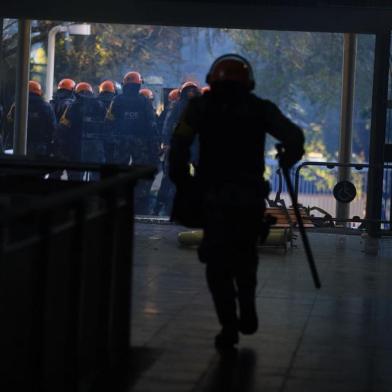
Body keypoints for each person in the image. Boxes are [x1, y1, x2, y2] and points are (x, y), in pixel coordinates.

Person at [169, 54, 305, 351]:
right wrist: (288, 157)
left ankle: (229, 326)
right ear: (248, 81)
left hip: (212, 196)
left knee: (216, 263)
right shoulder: (259, 109)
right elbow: (294, 136)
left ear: (212, 78)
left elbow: (179, 144)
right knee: (245, 256)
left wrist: (182, 182)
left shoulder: (200, 107)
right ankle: (247, 305)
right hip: (248, 197)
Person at [105, 71, 159, 214]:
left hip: (121, 140)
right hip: (140, 141)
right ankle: (137, 200)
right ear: (139, 84)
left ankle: (117, 198)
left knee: (118, 169)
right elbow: (152, 124)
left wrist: (112, 137)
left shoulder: (117, 100)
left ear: (125, 84)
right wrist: (153, 142)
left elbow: (108, 120)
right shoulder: (144, 101)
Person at [56, 82, 107, 172]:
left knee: (75, 175)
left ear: (76, 93)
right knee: (96, 175)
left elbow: (63, 127)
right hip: (96, 146)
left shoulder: (72, 106)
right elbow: (108, 124)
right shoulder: (101, 105)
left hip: (77, 146)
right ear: (91, 92)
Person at [7, 80, 56, 157]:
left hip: (19, 146)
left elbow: (9, 124)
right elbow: (52, 128)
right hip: (41, 147)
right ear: (39, 92)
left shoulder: (16, 105)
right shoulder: (47, 107)